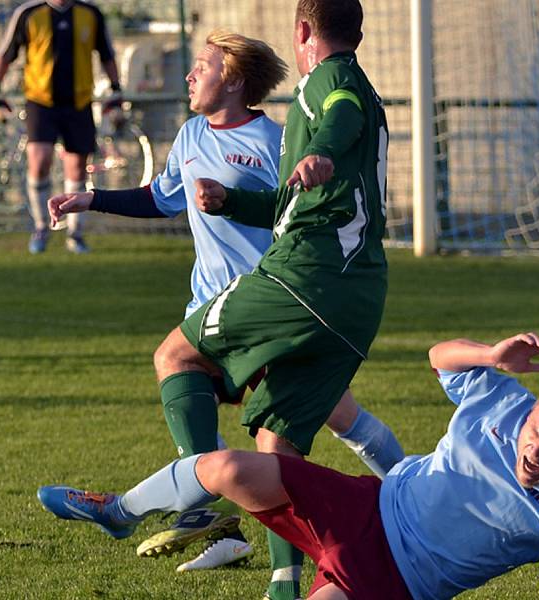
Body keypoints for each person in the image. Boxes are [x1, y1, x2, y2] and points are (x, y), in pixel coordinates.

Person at [46, 27, 402, 586]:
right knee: (275, 442)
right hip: (218, 305)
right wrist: (92, 200)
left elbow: (291, 211)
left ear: (233, 80)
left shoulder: (275, 141)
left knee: (324, 425)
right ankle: (233, 532)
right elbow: (160, 198)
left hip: (271, 301)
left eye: (203, 67)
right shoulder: (190, 136)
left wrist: (240, 200)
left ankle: (407, 488)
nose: (190, 76)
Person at [39, 331, 539, 600]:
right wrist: (490, 355)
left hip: (394, 581)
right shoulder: (506, 402)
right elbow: (440, 358)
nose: (535, 450)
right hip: (363, 503)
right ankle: (119, 511)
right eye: (537, 433)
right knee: (227, 469)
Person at [0, 0, 122, 254]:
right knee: (39, 159)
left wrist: (117, 91)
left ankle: (75, 233)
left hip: (79, 103)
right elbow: (6, 54)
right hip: (41, 103)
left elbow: (107, 55)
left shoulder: (90, 13)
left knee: (76, 167)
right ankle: (41, 226)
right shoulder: (28, 13)